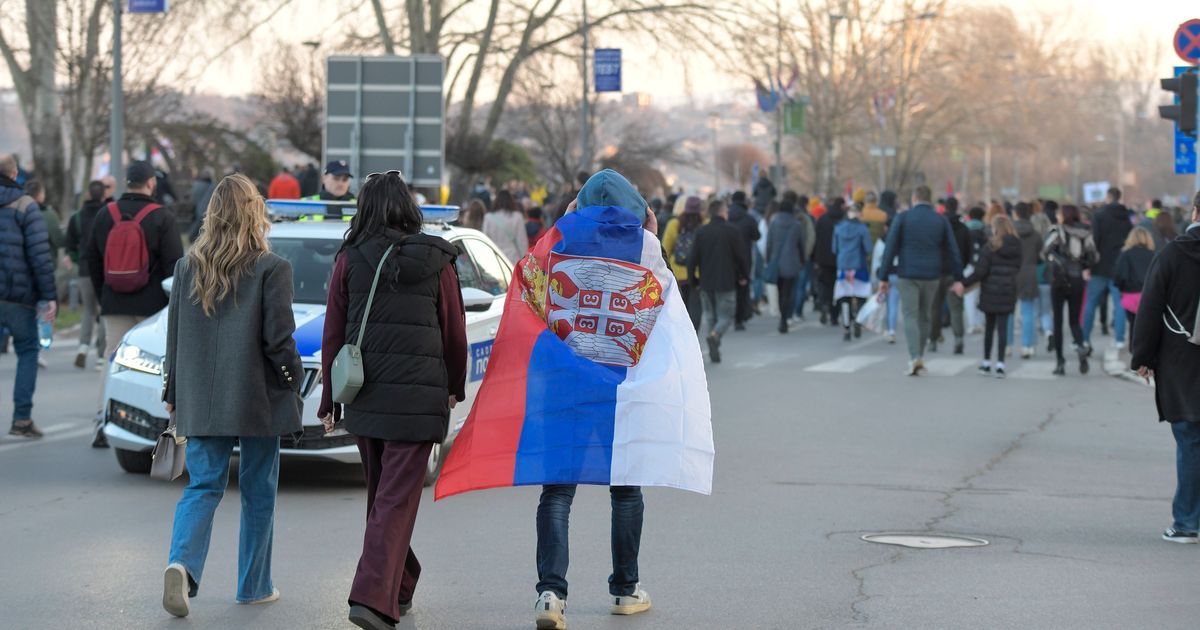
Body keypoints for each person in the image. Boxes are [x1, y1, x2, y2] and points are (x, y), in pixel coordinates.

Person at [316, 171, 466, 629]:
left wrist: (330, 400)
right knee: (393, 502)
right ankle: (371, 599)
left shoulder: (349, 259)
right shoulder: (437, 259)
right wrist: (454, 386)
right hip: (419, 401)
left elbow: (334, 334)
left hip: (366, 398)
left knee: (384, 500)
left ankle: (398, 587)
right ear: (408, 207)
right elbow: (453, 330)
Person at [160, 174, 302, 617]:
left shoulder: (187, 267)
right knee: (259, 490)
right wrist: (291, 379)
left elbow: (175, 336)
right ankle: (254, 585)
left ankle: (182, 565)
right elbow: (278, 341)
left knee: (202, 486)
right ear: (253, 212)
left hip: (201, 395)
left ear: (213, 213)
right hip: (257, 397)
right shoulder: (271, 268)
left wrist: (173, 390)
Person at [83, 161, 184, 408]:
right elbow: (175, 266)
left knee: (112, 358)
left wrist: (104, 295)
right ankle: (149, 417)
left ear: (128, 182)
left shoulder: (105, 214)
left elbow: (93, 260)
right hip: (153, 305)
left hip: (114, 301)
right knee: (152, 362)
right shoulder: (163, 216)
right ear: (151, 183)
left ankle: (103, 417)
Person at [1131, 191, 1200, 544]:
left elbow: (1150, 306)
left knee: (1189, 439)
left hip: (1182, 359)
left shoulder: (1173, 253)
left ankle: (1187, 522)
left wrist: (1142, 356)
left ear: (1195, 211)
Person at [879, 185, 965, 376]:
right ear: (930, 198)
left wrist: (883, 276)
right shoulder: (940, 220)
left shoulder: (903, 218)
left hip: (908, 274)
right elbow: (953, 250)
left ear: (914, 197)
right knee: (925, 315)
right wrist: (959, 277)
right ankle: (920, 356)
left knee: (910, 315)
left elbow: (890, 248)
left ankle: (914, 356)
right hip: (932, 274)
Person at [0, 153, 56, 438]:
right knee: (27, 352)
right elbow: (39, 256)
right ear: (14, 174)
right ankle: (21, 419)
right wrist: (49, 296)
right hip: (17, 296)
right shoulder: (26, 205)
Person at [688, 199, 749, 363]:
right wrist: (744, 275)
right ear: (723, 212)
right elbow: (741, 257)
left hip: (706, 281)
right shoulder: (733, 231)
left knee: (710, 316)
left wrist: (693, 279)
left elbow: (692, 258)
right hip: (727, 280)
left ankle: (713, 340)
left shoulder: (701, 232)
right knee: (726, 316)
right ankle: (715, 336)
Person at [963, 215, 1022, 378]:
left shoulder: (990, 246)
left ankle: (986, 362)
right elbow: (1018, 267)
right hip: (1008, 290)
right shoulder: (1017, 246)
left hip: (990, 291)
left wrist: (964, 283)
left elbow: (980, 272)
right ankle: (1001, 364)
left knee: (989, 328)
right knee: (1003, 328)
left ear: (995, 228)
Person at [1042, 204, 1097, 376]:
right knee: (1074, 321)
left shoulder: (1056, 231)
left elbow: (1045, 250)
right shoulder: (1086, 232)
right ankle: (1080, 347)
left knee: (1058, 321)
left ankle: (1060, 362)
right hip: (1077, 279)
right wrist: (1084, 266)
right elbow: (1093, 256)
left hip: (1059, 279)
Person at [66, 180, 108, 373]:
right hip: (104, 269)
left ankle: (83, 345)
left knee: (89, 311)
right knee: (104, 311)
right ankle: (101, 355)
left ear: (89, 194)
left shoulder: (77, 217)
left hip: (84, 269)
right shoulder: (108, 214)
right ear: (103, 194)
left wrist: (77, 260)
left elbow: (70, 245)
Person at [1084, 187, 1133, 351]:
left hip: (1100, 265)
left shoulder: (1099, 215)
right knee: (1119, 303)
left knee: (1091, 302)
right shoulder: (1126, 216)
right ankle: (1119, 338)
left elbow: (1094, 241)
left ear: (1108, 196)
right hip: (1119, 265)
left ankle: (1084, 337)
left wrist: (1089, 264)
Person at [930, 197, 971, 354]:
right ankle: (958, 338)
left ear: (944, 208)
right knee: (956, 308)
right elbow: (968, 252)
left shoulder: (937, 226)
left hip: (936, 271)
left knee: (935, 308)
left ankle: (933, 340)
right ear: (957, 208)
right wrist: (961, 268)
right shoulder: (963, 229)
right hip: (954, 272)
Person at [832, 202, 872, 341]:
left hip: (843, 266)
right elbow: (868, 248)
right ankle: (858, 321)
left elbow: (834, 248)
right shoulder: (863, 229)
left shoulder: (838, 228)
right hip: (859, 265)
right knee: (861, 296)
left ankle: (846, 327)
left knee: (844, 297)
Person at [661, 196, 704, 330]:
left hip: (678, 272)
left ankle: (682, 333)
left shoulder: (675, 224)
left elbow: (665, 248)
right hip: (698, 273)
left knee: (681, 307)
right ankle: (694, 334)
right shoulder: (704, 224)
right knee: (696, 306)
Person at [765, 197, 805, 334]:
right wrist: (802, 261)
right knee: (788, 292)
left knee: (781, 291)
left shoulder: (774, 223)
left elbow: (769, 244)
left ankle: (782, 317)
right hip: (792, 263)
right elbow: (801, 246)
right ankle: (785, 318)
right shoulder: (797, 224)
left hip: (776, 264)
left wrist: (768, 260)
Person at [1113, 226, 1156, 345]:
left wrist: (1121, 289)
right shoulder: (1153, 255)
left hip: (1130, 294)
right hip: (1149, 295)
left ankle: (1134, 350)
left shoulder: (1126, 254)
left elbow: (1119, 276)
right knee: (1147, 326)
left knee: (1133, 325)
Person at [1013, 202, 1044, 358]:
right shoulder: (1036, 234)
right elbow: (1040, 255)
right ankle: (1027, 346)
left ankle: (1007, 345)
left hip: (1011, 272)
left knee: (1009, 312)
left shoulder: (1010, 232)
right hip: (1029, 273)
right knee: (1028, 312)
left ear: (1016, 213)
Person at [726, 191, 760, 329]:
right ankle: (739, 320)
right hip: (745, 257)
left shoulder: (726, 216)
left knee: (727, 290)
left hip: (726, 258)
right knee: (742, 288)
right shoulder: (748, 218)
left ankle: (725, 317)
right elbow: (757, 236)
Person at [813, 197, 846, 325]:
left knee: (824, 284)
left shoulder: (822, 219)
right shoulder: (843, 220)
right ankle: (834, 315)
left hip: (823, 258)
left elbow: (816, 239)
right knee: (838, 287)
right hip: (839, 259)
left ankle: (824, 303)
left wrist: (815, 258)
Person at [482, 189, 528, 263]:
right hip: (513, 258)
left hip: (494, 258)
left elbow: (485, 239)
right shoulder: (517, 217)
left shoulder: (488, 217)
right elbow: (522, 241)